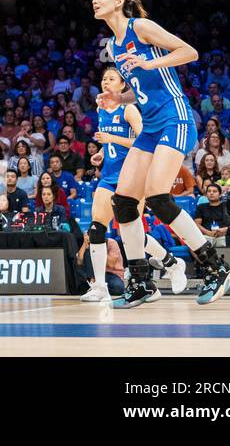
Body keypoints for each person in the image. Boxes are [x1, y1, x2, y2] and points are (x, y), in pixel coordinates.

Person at [94, 0, 230, 306]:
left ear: (119, 1)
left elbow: (189, 51)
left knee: (158, 196)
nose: (95, 0)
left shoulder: (140, 26)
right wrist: (119, 96)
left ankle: (217, 267)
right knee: (124, 202)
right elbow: (138, 88)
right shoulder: (113, 46)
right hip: (151, 126)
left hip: (175, 117)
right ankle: (142, 282)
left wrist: (150, 62)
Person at [82, 67, 186, 302]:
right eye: (104, 78)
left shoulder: (128, 109)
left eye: (112, 79)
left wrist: (112, 139)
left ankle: (170, 263)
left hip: (132, 177)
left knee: (134, 233)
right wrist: (101, 152)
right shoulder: (101, 109)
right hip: (109, 176)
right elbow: (111, 142)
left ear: (123, 86)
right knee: (96, 227)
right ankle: (100, 287)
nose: (106, 82)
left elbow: (143, 141)